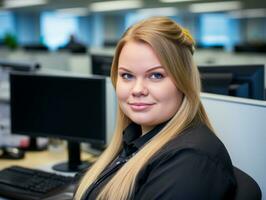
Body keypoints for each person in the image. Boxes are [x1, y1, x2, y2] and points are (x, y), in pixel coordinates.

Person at [74, 16, 236, 200]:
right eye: (127, 75)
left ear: (182, 81)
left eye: (156, 75)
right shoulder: (134, 140)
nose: (137, 90)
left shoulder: (189, 161)